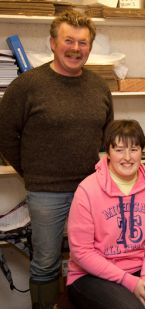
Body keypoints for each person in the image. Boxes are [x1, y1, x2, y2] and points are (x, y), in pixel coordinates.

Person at [0, 10, 113, 308]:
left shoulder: (99, 87)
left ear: (90, 46)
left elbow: (105, 135)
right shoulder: (28, 86)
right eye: (68, 41)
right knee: (46, 261)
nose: (76, 48)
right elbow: (5, 134)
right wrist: (32, 172)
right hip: (46, 192)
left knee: (94, 258)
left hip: (92, 191)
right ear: (52, 43)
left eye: (83, 43)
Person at [66, 119, 145, 309]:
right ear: (107, 152)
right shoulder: (87, 190)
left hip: (142, 268)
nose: (127, 157)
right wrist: (130, 282)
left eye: (134, 149)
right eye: (119, 150)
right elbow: (81, 252)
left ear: (142, 151)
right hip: (91, 275)